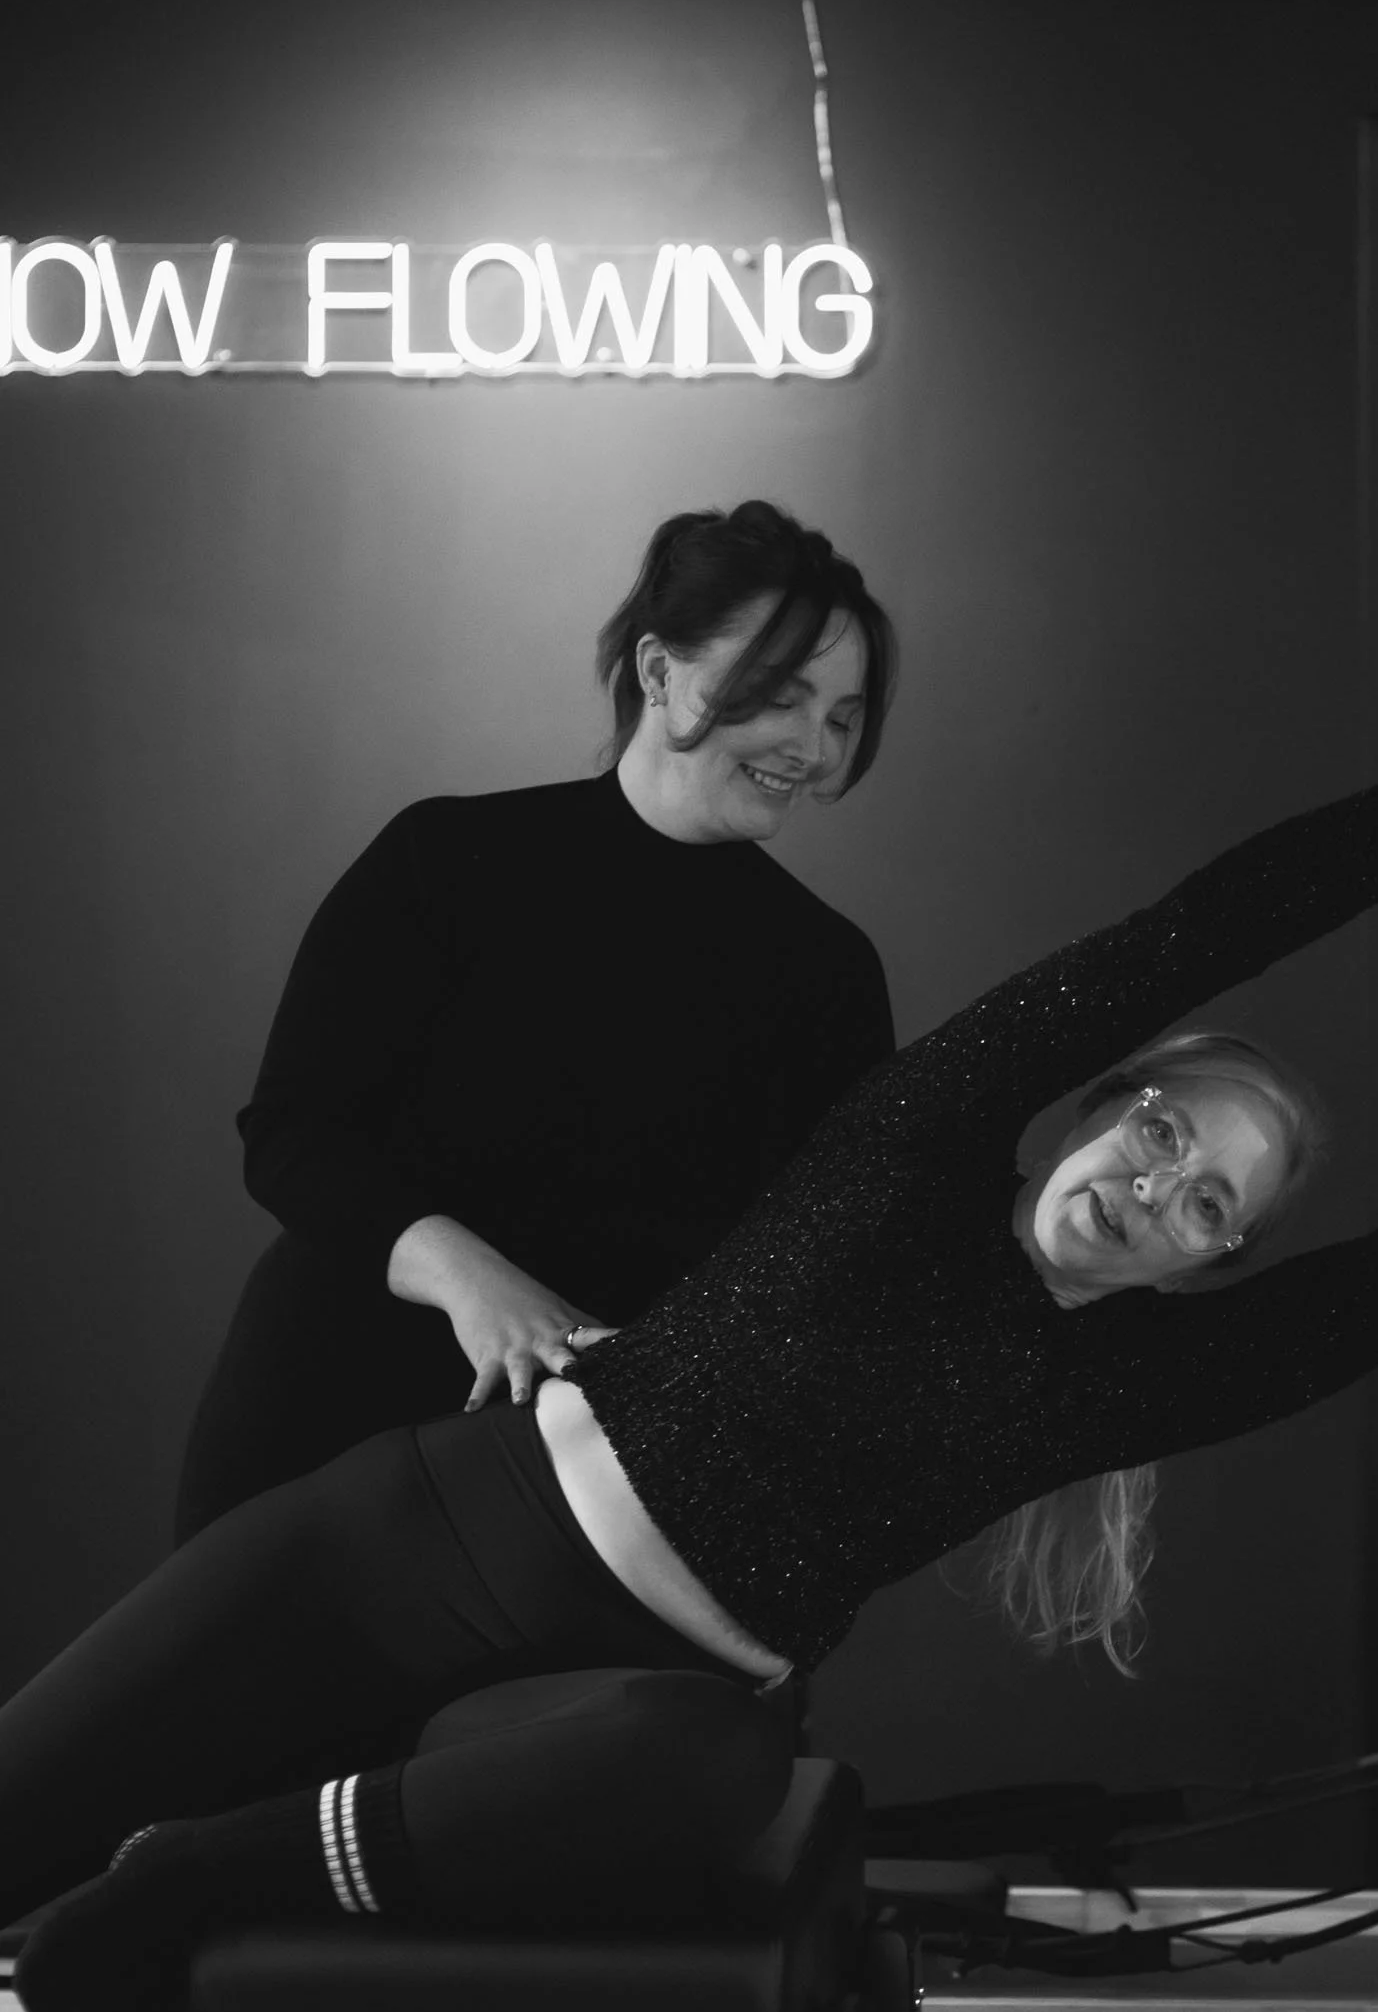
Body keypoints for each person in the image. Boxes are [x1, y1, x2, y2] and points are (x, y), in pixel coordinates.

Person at [5, 705, 1378, 2012]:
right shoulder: (914, 1138)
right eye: (1162, 1137)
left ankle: (203, 1872)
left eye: (1209, 1207)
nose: (1156, 1192)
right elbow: (1193, 933)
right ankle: (147, 1887)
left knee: (717, 1770)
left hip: (616, 1712)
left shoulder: (1111, 1389)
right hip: (421, 1535)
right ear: (1104, 1103)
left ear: (1211, 1268)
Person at [173, 500, 899, 1541]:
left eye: (841, 717)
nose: (813, 749)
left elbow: (817, 1275)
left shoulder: (829, 974)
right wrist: (478, 1285)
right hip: (321, 1416)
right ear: (658, 670)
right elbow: (293, 1136)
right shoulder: (448, 859)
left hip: (581, 1492)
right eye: (781, 697)